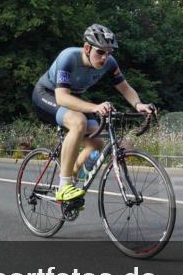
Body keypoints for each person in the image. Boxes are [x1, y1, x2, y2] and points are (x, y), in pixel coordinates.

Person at [31, 24, 155, 202]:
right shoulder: (68, 57)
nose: (105, 58)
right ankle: (64, 186)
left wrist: (138, 104)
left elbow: (125, 88)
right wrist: (95, 107)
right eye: (100, 52)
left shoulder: (110, 64)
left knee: (97, 141)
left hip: (73, 97)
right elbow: (62, 98)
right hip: (48, 94)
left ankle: (73, 173)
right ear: (87, 48)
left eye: (109, 52)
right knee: (78, 122)